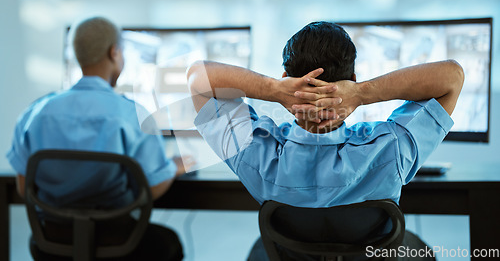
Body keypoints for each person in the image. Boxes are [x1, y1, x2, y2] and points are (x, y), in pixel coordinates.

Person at [186, 21, 464, 260]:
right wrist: (363, 93)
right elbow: (452, 77)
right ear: (352, 79)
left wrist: (272, 90)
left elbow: (197, 78)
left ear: (286, 78)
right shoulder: (389, 150)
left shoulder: (255, 153)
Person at [7, 16, 188, 261]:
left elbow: (22, 187)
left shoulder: (35, 113)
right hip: (118, 244)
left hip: (54, 242)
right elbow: (152, 188)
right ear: (114, 53)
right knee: (167, 243)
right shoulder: (133, 115)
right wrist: (174, 167)